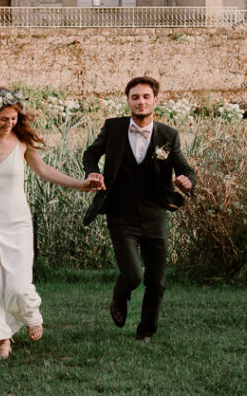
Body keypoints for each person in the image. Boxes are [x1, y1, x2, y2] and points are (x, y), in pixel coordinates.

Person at [0, 88, 103, 359]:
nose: (9, 124)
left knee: (17, 285)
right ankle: (3, 339)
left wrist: (81, 185)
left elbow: (45, 170)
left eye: (14, 118)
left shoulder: (21, 141)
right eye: (4, 118)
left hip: (17, 223)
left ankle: (30, 313)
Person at [82, 76, 195, 341]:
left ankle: (145, 332)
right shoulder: (114, 128)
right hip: (121, 216)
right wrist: (92, 173)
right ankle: (120, 296)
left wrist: (186, 181)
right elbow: (90, 154)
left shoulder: (168, 135)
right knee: (133, 275)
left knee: (157, 282)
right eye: (135, 97)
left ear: (155, 100)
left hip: (154, 216)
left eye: (146, 97)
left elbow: (186, 170)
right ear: (128, 101)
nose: (140, 101)